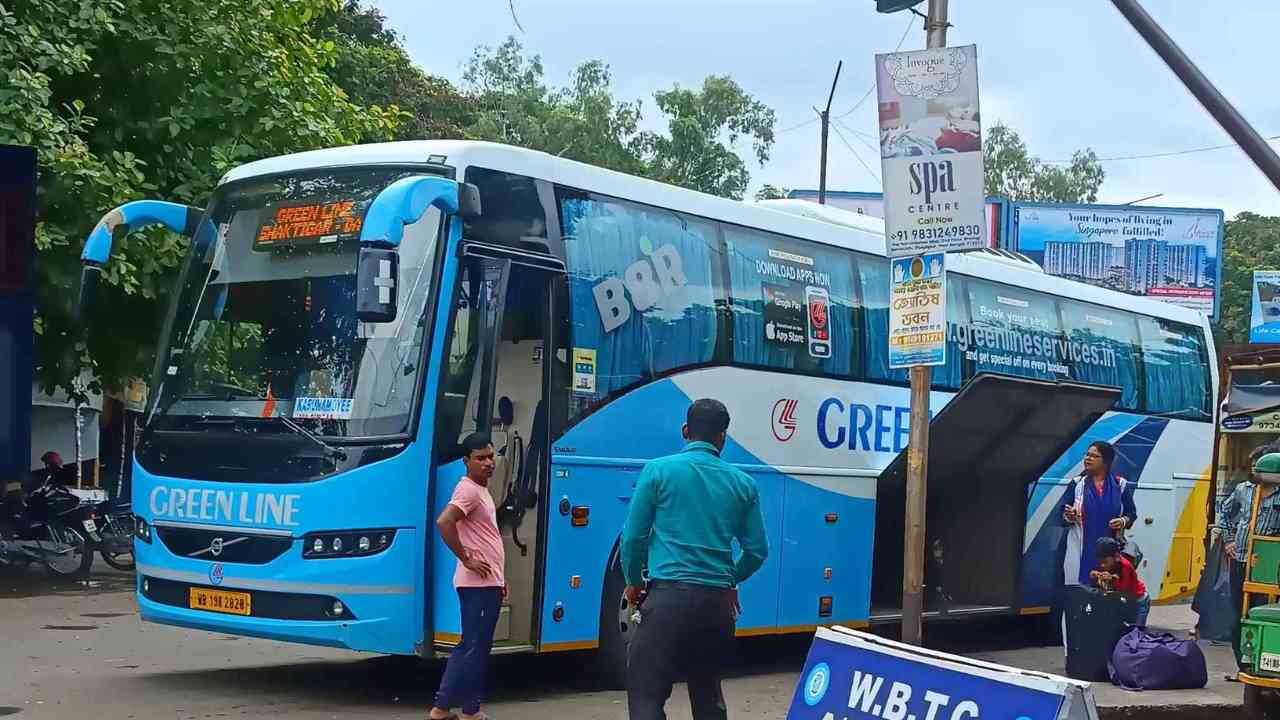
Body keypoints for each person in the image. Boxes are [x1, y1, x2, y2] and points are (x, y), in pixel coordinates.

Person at [620, 398, 769, 720]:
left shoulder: (658, 471)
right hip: (717, 608)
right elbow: (757, 551)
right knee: (708, 694)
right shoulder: (744, 483)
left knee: (647, 692)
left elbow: (633, 538)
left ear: (685, 431)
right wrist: (729, 579)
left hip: (668, 601)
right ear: (723, 437)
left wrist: (633, 583)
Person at [429, 434, 507, 720]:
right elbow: (444, 521)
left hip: (488, 583)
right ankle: (454, 709)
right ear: (466, 461)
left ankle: (458, 708)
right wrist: (466, 559)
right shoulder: (469, 491)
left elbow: (486, 538)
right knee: (473, 645)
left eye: (490, 456)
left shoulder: (480, 490)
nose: (488, 463)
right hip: (477, 585)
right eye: (480, 458)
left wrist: (500, 580)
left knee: (475, 644)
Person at [1219, 445, 1280, 682]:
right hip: (1241, 561)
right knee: (1238, 616)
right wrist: (1229, 540)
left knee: (1261, 613)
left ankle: (1263, 663)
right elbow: (1224, 512)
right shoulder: (1243, 490)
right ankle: (1243, 666)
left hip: (1269, 568)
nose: (1255, 472)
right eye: (1254, 467)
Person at [1063, 440, 1137, 588]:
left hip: (1108, 552)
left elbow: (1132, 513)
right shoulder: (1077, 484)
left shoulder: (1120, 484)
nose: (1087, 458)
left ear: (1106, 461)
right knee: (1077, 591)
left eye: (1094, 456)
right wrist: (1068, 515)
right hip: (1079, 548)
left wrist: (1122, 521)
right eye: (1087, 455)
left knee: (1106, 591)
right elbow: (1063, 511)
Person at [1091, 537, 1149, 626]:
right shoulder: (1108, 564)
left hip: (1139, 601)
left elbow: (1122, 591)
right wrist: (1096, 576)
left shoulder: (1125, 566)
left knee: (1136, 632)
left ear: (1116, 557)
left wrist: (1110, 579)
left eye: (1105, 562)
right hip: (1127, 601)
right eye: (1100, 562)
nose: (1102, 565)